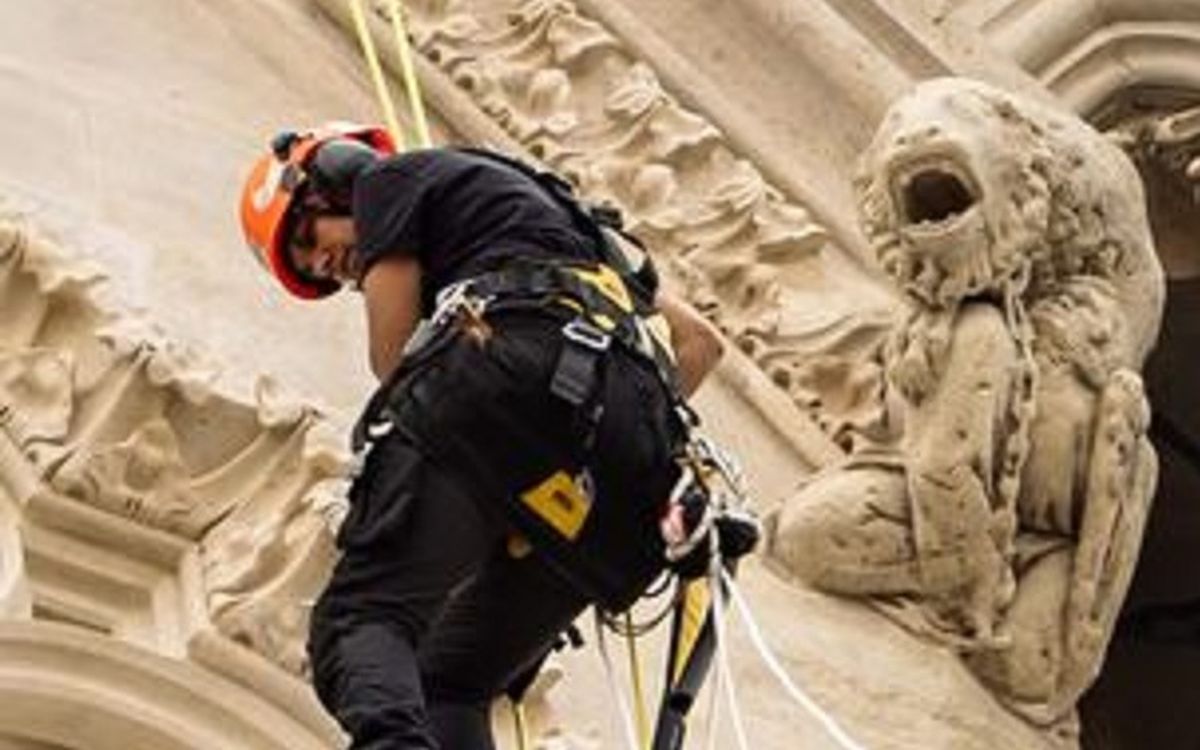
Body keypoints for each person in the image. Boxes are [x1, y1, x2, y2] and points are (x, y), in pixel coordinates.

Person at [238, 122, 725, 749]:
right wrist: (583, 438)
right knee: (449, 681)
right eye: (316, 272)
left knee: (359, 619)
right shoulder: (584, 234)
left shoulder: (385, 181)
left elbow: (395, 362)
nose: (327, 265)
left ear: (331, 179)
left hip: (499, 386)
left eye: (310, 236)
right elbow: (701, 346)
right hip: (627, 482)